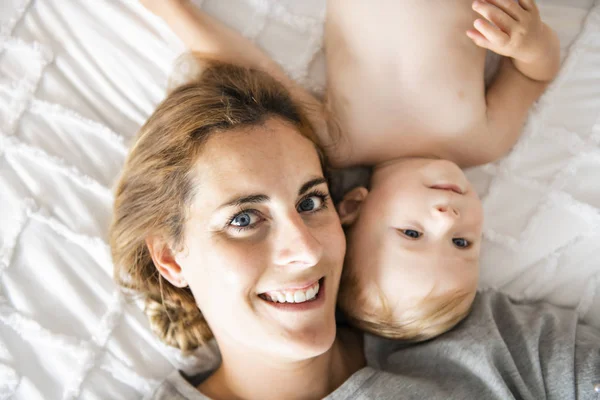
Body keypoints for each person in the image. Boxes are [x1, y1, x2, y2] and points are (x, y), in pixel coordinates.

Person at [108, 60, 600, 400]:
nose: (304, 248)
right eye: (243, 219)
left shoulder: (477, 339)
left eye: (310, 201)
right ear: (171, 259)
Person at [139, 0, 561, 342]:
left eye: (412, 234)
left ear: (355, 205)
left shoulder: (336, 142)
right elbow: (534, 76)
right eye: (462, 242)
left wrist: (174, 11)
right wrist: (530, 42)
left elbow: (254, 72)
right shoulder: (487, 141)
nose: (447, 218)